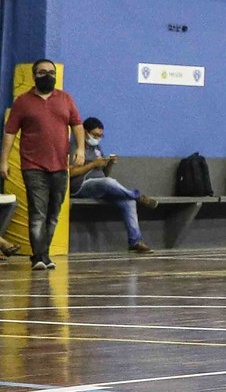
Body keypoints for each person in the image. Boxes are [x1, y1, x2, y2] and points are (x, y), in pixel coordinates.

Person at [2, 59, 83, 269]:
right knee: (38, 213)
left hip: (60, 166)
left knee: (53, 215)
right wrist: (4, 161)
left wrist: (81, 149)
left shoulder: (65, 99)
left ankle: (44, 254)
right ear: (33, 76)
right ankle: (38, 257)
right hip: (33, 166)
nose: (47, 76)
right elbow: (10, 132)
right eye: (42, 72)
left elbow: (77, 124)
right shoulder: (22, 102)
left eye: (51, 72)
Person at [71, 116, 159, 254]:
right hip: (81, 186)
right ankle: (137, 196)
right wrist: (92, 164)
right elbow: (70, 172)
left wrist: (109, 164)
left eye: (100, 136)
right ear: (85, 132)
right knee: (109, 182)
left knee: (128, 201)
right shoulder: (74, 146)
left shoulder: (97, 148)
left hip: (101, 186)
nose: (97, 138)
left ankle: (135, 241)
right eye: (95, 135)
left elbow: (103, 174)